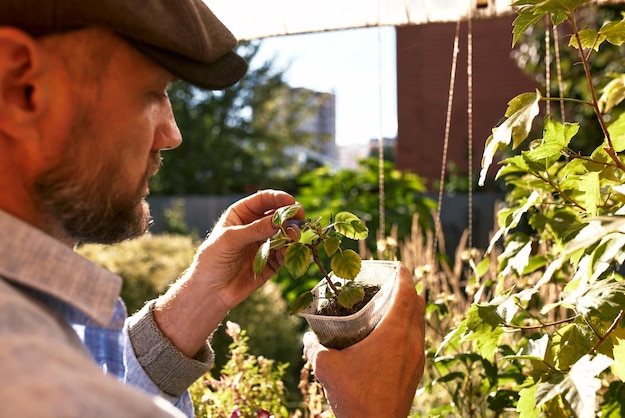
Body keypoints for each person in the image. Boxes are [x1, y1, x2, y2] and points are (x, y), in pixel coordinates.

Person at [0, 0, 426, 417]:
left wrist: (204, 295)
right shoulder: (29, 376)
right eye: (152, 91)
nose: (172, 134)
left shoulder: (35, 333)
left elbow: (98, 384)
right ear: (21, 86)